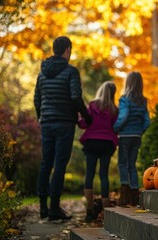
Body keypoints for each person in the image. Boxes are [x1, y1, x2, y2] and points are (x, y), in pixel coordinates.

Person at [34, 36, 92, 221]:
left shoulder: (42, 73)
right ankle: (53, 209)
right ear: (67, 50)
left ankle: (43, 207)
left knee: (46, 163)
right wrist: (87, 116)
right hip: (65, 123)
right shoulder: (70, 71)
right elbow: (75, 97)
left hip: (47, 122)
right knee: (59, 165)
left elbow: (37, 98)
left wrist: (41, 116)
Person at [78, 81, 118, 222]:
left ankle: (89, 211)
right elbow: (115, 127)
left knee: (89, 174)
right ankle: (106, 212)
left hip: (92, 143)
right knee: (104, 175)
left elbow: (84, 123)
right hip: (107, 144)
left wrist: (78, 119)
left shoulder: (93, 105)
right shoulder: (114, 109)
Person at [113, 71, 150, 206]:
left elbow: (123, 116)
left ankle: (125, 195)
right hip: (136, 136)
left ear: (128, 83)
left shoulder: (124, 99)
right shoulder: (143, 101)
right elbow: (147, 121)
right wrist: (140, 132)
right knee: (132, 165)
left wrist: (115, 128)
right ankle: (134, 195)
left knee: (122, 164)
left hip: (125, 136)